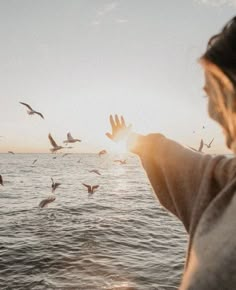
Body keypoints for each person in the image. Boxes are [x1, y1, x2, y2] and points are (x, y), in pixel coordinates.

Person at [106, 16, 236, 290]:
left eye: (219, 92)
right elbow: (178, 160)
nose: (212, 111)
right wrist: (132, 140)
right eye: (207, 96)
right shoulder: (228, 184)